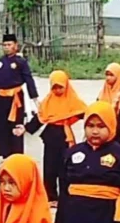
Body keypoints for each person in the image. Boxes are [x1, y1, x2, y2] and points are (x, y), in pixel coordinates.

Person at [23, 70, 87, 203]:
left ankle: (66, 195)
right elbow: (40, 118)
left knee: (65, 167)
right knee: (50, 168)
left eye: (60, 87)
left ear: (66, 85)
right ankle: (51, 196)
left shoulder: (73, 100)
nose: (57, 90)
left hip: (65, 137)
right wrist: (25, 128)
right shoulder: (47, 101)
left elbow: (86, 114)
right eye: (54, 87)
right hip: (50, 137)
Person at [0, 34, 40, 157]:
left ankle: (16, 153)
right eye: (4, 45)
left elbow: (29, 80)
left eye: (9, 45)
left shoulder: (21, 62)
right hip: (1, 98)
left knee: (16, 125)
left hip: (15, 99)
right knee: (1, 126)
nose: (7, 47)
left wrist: (35, 99)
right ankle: (5, 153)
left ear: (16, 46)